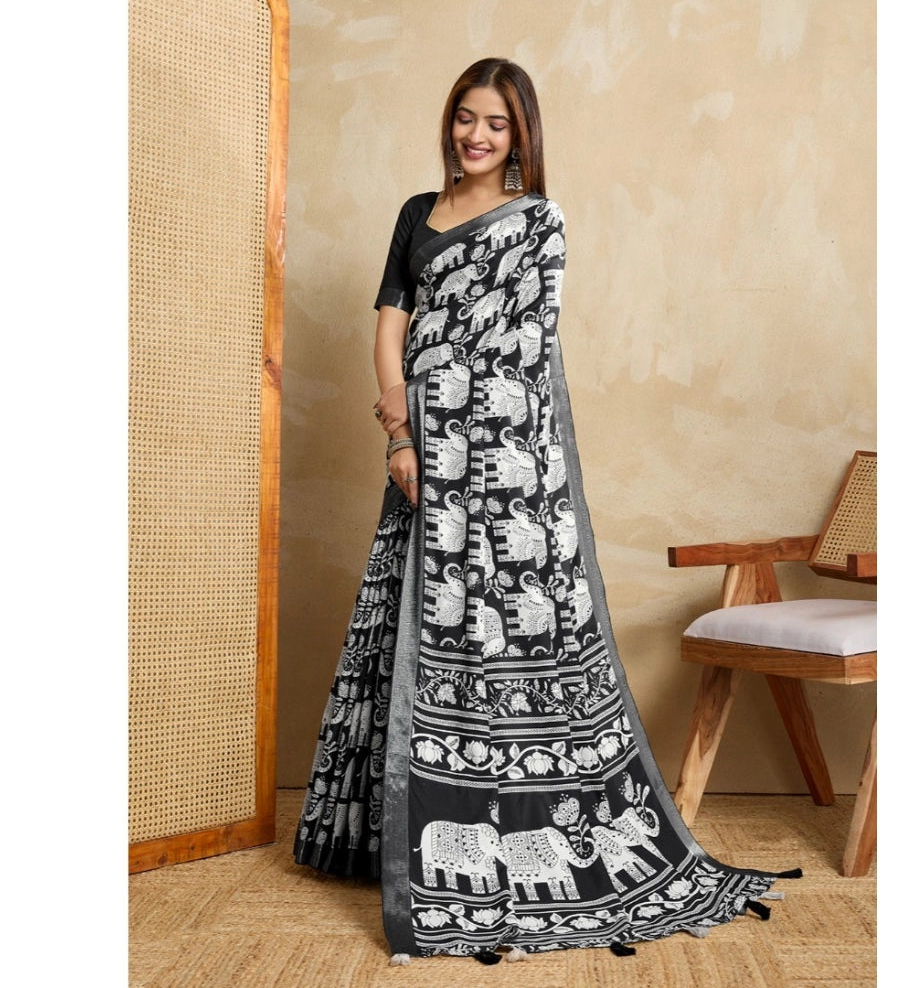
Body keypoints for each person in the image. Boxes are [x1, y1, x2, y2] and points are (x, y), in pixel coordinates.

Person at [294, 57, 799, 964]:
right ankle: (389, 842)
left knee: (489, 635)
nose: (476, 135)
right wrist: (401, 434)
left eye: (497, 123)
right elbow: (391, 324)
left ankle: (501, 839)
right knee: (400, 626)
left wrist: (466, 439)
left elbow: (524, 350)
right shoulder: (417, 214)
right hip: (422, 451)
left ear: (521, 135)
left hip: (499, 468)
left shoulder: (535, 224)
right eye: (465, 117)